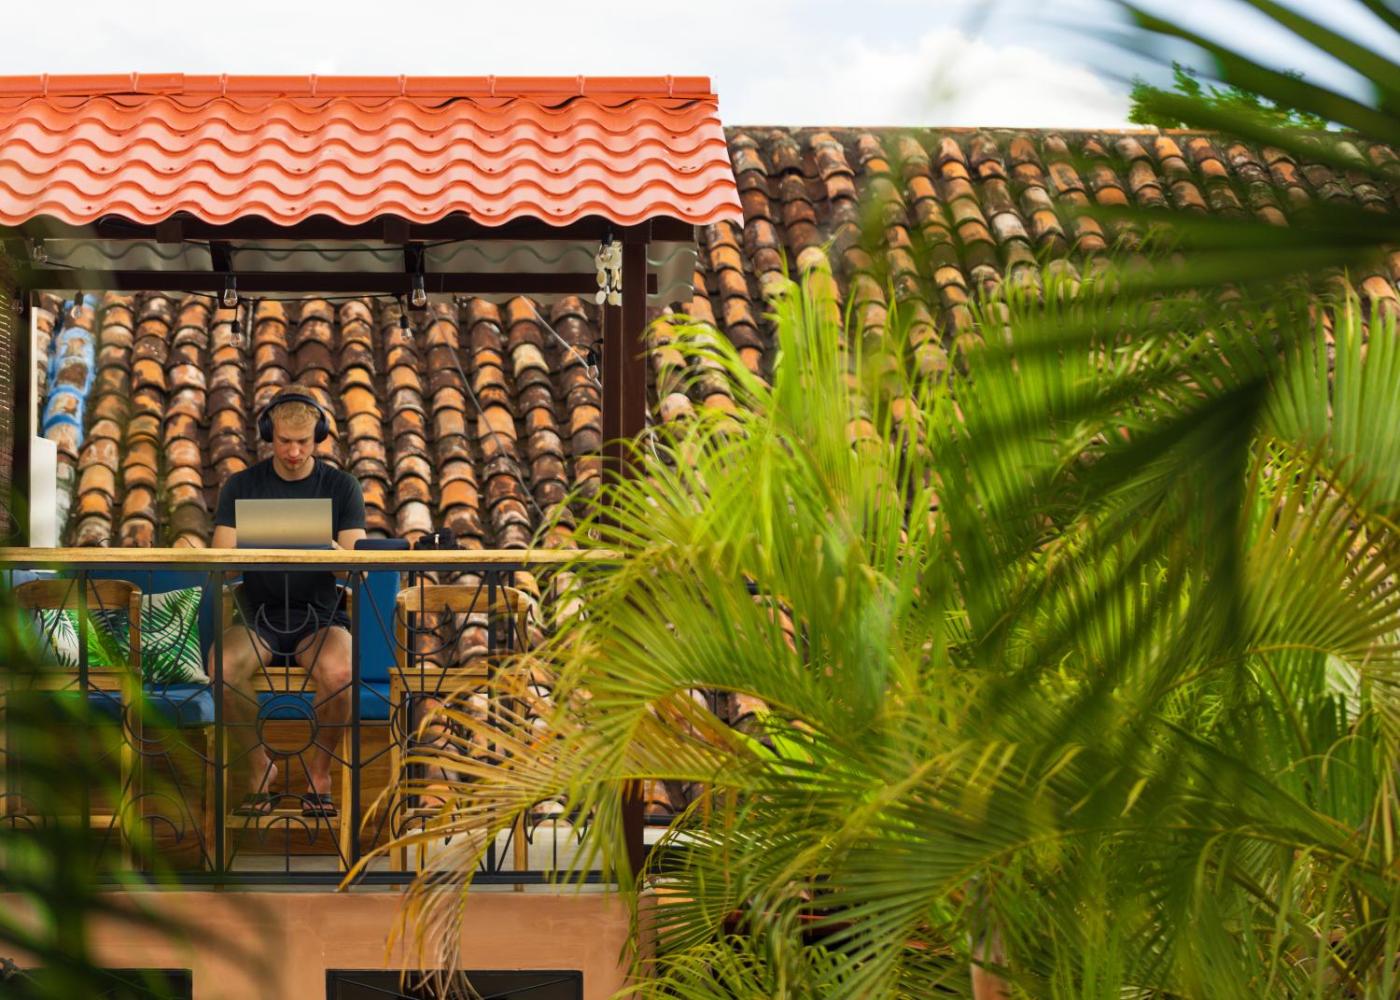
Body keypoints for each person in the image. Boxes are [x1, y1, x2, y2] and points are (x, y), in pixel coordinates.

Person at [208, 387, 366, 818]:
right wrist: (255, 542)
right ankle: (260, 767)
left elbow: (357, 568)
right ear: (268, 435)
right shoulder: (242, 485)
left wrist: (324, 547)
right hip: (256, 617)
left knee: (341, 671)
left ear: (318, 437)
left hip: (320, 618)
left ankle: (319, 774)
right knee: (222, 668)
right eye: (284, 441)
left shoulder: (342, 487)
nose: (294, 452)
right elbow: (219, 560)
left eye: (303, 442)